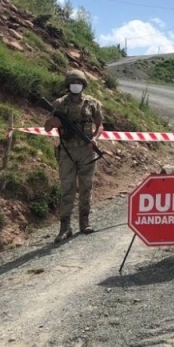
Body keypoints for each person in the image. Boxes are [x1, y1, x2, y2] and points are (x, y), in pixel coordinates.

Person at [44, 69, 104, 243]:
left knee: (86, 187)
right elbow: (47, 127)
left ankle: (84, 222)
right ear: (68, 85)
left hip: (87, 152)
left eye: (78, 83)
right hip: (67, 152)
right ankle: (65, 227)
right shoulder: (58, 104)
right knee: (67, 189)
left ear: (83, 85)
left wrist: (94, 138)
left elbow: (100, 125)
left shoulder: (92, 103)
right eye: (72, 83)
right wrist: (53, 122)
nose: (75, 86)